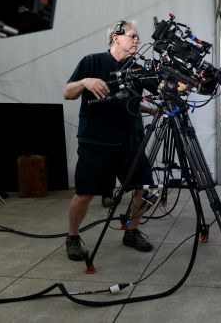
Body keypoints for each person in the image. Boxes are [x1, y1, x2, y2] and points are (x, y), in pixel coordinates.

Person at [62, 19, 159, 261]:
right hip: (96, 140)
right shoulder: (92, 61)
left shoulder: (137, 68)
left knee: (143, 188)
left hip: (129, 139)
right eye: (133, 36)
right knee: (85, 192)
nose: (138, 40)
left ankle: (131, 230)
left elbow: (135, 98)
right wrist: (85, 81)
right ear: (116, 37)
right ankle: (72, 237)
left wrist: (153, 108)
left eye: (138, 37)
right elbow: (67, 93)